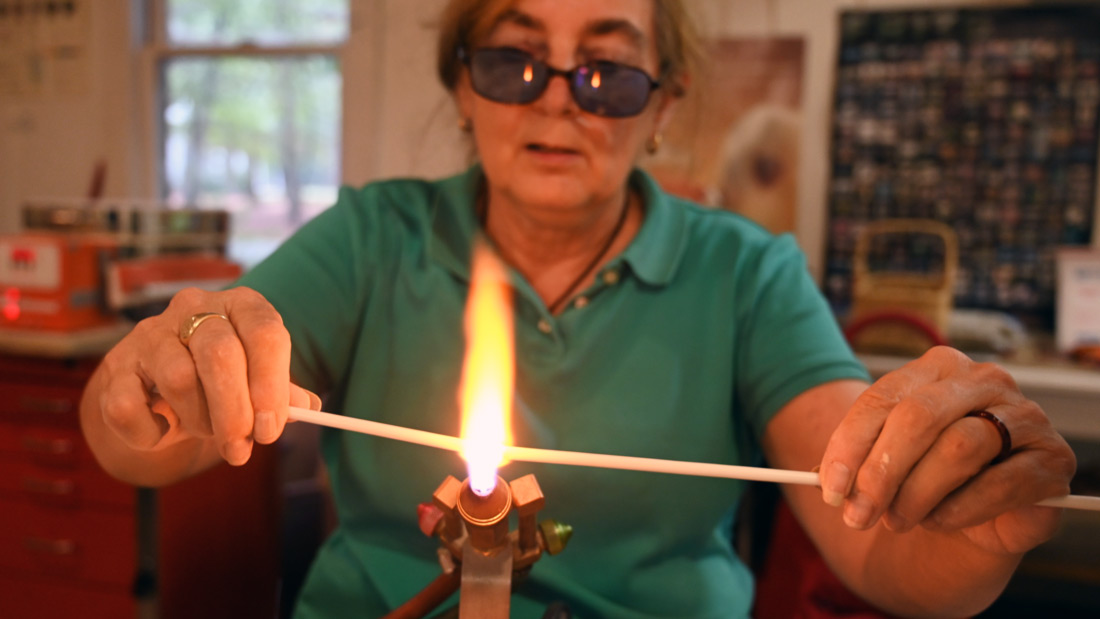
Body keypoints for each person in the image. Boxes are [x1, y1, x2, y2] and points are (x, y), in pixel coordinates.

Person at [80, 0, 1077, 617]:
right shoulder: (371, 236)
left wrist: (965, 523)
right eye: (513, 62)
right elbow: (146, 439)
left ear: (662, 108)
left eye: (608, 73)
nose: (557, 100)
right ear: (462, 90)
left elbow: (876, 542)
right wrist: (150, 384)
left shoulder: (746, 272)